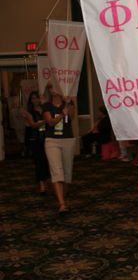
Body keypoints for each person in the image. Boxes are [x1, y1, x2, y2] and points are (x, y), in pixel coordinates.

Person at [42, 84, 75, 213]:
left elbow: (72, 116)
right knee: (57, 172)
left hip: (68, 140)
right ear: (50, 90)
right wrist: (62, 114)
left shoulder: (68, 102)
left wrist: (68, 104)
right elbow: (50, 122)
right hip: (52, 141)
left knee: (67, 173)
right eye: (53, 87)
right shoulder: (47, 106)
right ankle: (62, 204)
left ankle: (63, 197)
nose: (56, 89)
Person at [23, 90, 50, 193]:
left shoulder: (45, 109)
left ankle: (46, 180)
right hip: (36, 140)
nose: (35, 100)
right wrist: (44, 121)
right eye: (33, 98)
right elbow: (33, 125)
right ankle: (41, 184)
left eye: (37, 97)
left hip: (47, 138)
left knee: (47, 161)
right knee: (39, 162)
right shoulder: (29, 112)